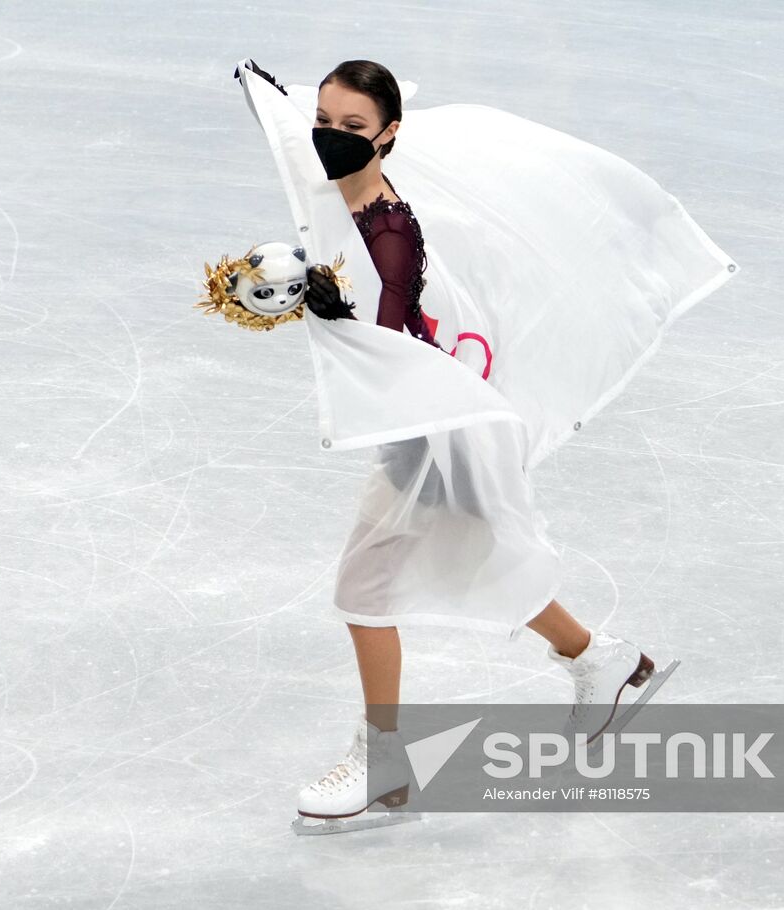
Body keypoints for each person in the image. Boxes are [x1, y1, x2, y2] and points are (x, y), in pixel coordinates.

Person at [237, 60, 679, 835]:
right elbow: (294, 151)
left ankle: (385, 764)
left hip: (431, 427)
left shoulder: (389, 229)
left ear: (390, 136)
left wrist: (336, 313)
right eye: (324, 121)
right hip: (421, 422)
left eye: (353, 129)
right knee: (479, 549)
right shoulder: (338, 191)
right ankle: (599, 660)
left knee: (363, 594)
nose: (331, 139)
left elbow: (398, 330)